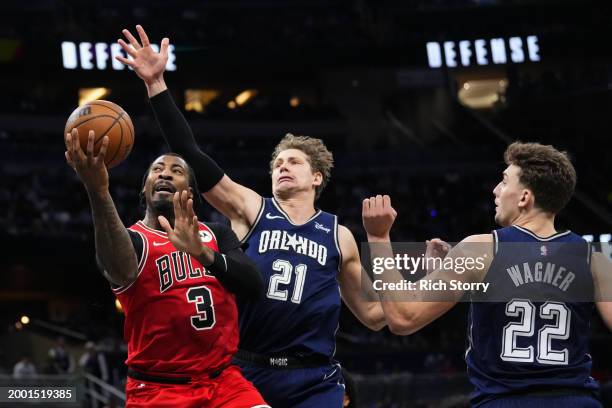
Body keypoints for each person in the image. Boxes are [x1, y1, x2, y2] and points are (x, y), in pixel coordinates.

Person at [117, 25, 385, 407]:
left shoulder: (337, 233)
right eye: (277, 163)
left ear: (317, 177)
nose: (282, 167)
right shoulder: (251, 207)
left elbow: (375, 315)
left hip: (312, 374)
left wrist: (425, 275)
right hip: (246, 369)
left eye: (294, 162)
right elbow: (190, 153)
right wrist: (157, 84)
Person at [362, 142, 612, 407]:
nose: (495, 190)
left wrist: (378, 238)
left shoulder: (479, 251)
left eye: (504, 182)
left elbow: (403, 317)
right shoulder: (593, 259)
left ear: (525, 197)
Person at [64, 129, 269, 407]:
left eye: (177, 170)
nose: (165, 174)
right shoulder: (133, 240)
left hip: (223, 383)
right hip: (156, 389)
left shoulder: (215, 234)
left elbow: (254, 286)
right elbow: (118, 271)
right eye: (157, 169)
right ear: (144, 188)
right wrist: (98, 192)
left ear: (191, 192)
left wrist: (202, 253)